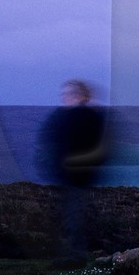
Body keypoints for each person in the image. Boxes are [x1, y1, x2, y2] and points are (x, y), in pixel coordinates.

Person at [37, 79, 110, 264]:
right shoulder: (69, 115)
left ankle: (77, 256)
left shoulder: (89, 117)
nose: (66, 97)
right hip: (66, 175)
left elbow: (100, 147)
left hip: (78, 176)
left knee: (75, 216)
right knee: (67, 215)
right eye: (66, 94)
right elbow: (51, 139)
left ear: (81, 96)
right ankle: (69, 254)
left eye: (70, 93)